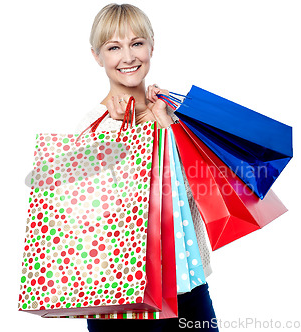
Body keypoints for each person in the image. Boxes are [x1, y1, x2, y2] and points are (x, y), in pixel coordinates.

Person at [78, 4, 219, 332]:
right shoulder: (93, 129)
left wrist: (168, 126)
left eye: (136, 43)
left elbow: (205, 193)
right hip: (115, 294)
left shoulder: (174, 115)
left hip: (186, 283)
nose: (128, 56)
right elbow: (98, 218)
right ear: (97, 57)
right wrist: (123, 135)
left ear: (152, 46)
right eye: (114, 47)